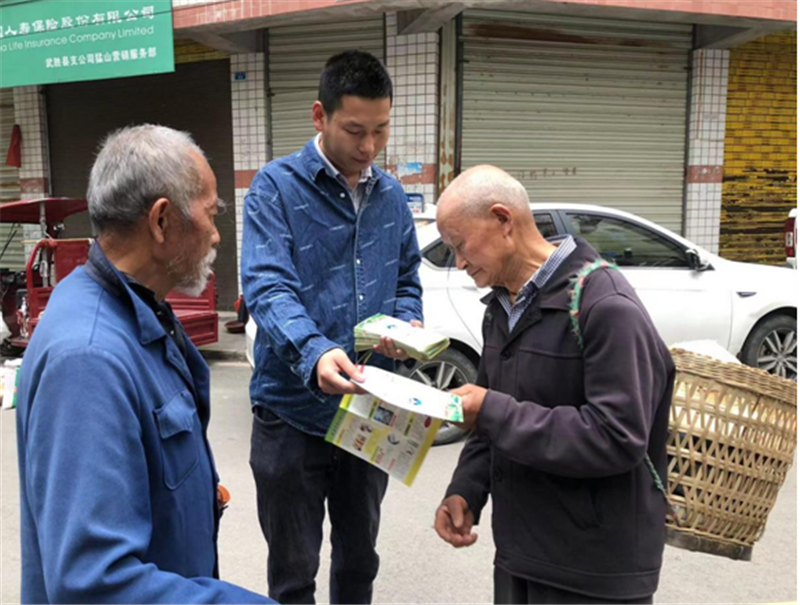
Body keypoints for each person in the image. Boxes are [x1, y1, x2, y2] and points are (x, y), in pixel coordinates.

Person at [16, 125, 274, 604]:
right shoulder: (88, 358)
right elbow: (94, 582)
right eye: (211, 213)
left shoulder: (137, 309)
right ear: (161, 221)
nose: (217, 234)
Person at [433, 165, 675, 605]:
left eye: (460, 244)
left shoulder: (607, 305)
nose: (460, 262)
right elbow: (490, 419)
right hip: (520, 556)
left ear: (503, 220)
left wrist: (490, 410)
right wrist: (467, 489)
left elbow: (617, 437)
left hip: (592, 571)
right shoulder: (501, 308)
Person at [241, 50, 423, 604]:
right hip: (292, 412)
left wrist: (407, 324)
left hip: (369, 407)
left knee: (360, 560)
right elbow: (267, 287)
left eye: (381, 130)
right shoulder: (275, 188)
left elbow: (407, 277)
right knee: (294, 572)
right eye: (355, 130)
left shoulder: (391, 195)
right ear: (320, 116)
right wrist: (314, 351)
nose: (369, 146)